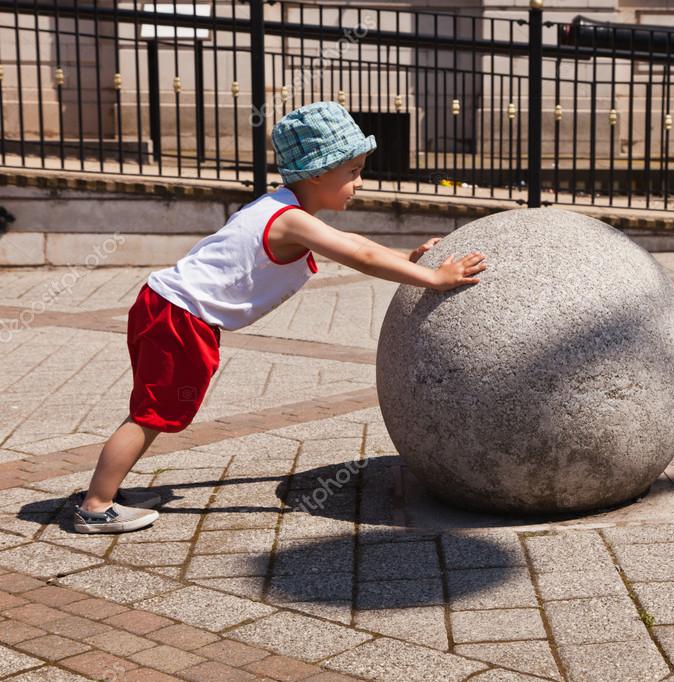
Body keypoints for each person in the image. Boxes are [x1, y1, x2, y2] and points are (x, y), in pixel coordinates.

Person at [73, 101, 486, 533]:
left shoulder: (283, 208)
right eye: (353, 172)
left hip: (165, 307)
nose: (359, 183)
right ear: (317, 172)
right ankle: (96, 505)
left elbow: (354, 242)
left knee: (151, 410)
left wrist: (410, 261)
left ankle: (108, 489)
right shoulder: (289, 220)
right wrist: (433, 279)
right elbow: (358, 254)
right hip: (179, 316)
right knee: (152, 414)